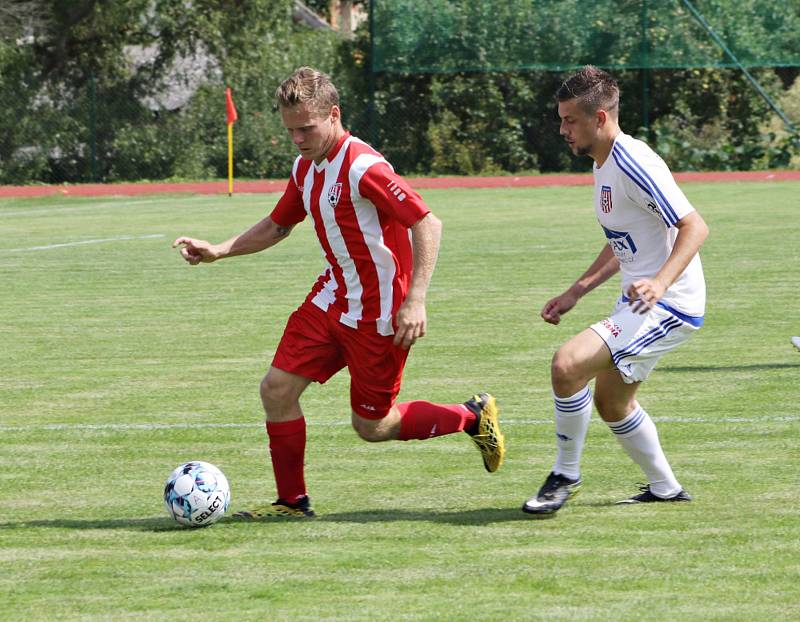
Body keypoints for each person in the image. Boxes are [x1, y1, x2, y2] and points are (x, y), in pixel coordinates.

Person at [174, 67, 504, 519]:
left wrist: (417, 299)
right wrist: (218, 250)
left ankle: (471, 416)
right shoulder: (306, 167)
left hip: (380, 313)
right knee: (276, 390)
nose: (298, 139)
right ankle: (292, 502)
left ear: (334, 115)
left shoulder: (365, 168)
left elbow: (427, 222)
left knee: (373, 426)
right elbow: (277, 224)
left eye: (306, 128)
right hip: (331, 299)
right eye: (290, 130)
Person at [522, 65, 709, 516]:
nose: (562, 129)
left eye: (570, 120)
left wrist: (660, 284)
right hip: (640, 301)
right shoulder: (603, 162)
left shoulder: (633, 161)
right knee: (612, 403)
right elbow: (623, 238)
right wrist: (575, 292)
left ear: (600, 118)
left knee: (566, 364)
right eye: (561, 119)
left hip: (669, 305)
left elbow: (694, 226)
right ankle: (666, 489)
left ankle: (565, 474)